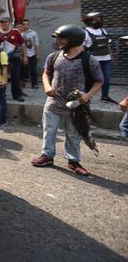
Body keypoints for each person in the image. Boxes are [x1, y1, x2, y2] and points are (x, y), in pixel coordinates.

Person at [31, 25, 103, 176]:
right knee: (49, 130)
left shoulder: (89, 60)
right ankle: (47, 156)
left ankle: (73, 161)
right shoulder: (54, 56)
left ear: (73, 39)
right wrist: (47, 86)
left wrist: (87, 96)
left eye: (62, 38)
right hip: (53, 102)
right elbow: (46, 73)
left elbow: (99, 81)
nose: (58, 41)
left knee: (73, 133)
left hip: (76, 105)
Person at [82, 12, 117, 104]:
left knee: (106, 78)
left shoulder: (103, 30)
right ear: (91, 21)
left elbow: (107, 44)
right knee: (90, 79)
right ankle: (86, 97)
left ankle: (105, 97)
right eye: (98, 19)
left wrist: (111, 55)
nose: (101, 20)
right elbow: (82, 47)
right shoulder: (85, 32)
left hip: (106, 59)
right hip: (93, 60)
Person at [0, 16, 28, 101]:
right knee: (1, 77)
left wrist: (25, 57)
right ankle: (1, 94)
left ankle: (16, 95)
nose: (4, 24)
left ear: (10, 23)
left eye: (5, 22)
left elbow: (23, 44)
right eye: (2, 22)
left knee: (15, 77)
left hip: (14, 59)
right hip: (0, 59)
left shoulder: (15, 32)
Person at [20, 19, 40, 89]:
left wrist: (38, 54)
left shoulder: (33, 33)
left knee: (33, 70)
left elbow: (37, 44)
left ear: (29, 25)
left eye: (27, 24)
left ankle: (34, 83)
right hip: (22, 54)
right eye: (24, 24)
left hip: (32, 54)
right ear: (22, 25)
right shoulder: (20, 33)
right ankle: (22, 82)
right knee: (23, 69)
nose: (25, 25)